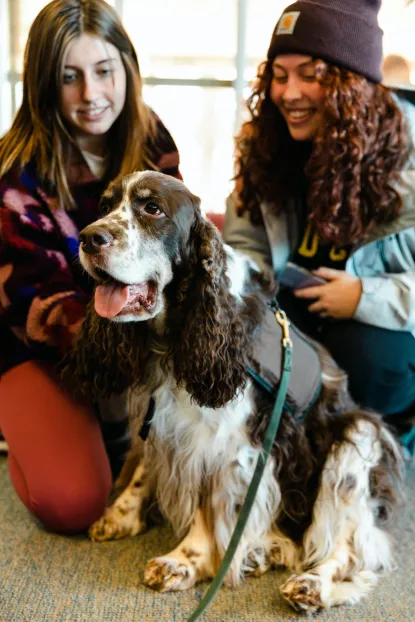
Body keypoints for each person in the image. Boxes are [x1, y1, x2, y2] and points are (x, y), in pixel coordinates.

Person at [0, 0, 182, 534]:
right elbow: (40, 309)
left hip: (126, 324)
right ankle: (40, 426)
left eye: (104, 71)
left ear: (126, 66)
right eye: (69, 77)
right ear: (43, 84)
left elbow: (171, 249)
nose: (91, 95)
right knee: (74, 503)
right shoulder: (15, 174)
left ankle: (112, 420)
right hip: (39, 344)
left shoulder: (152, 138)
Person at [223, 0, 415, 444]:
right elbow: (245, 246)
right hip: (294, 312)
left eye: (311, 75)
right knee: (251, 338)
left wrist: (364, 296)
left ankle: (392, 428)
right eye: (279, 74)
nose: (289, 93)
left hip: (380, 327)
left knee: (370, 358)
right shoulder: (268, 147)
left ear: (353, 84)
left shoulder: (407, 153)